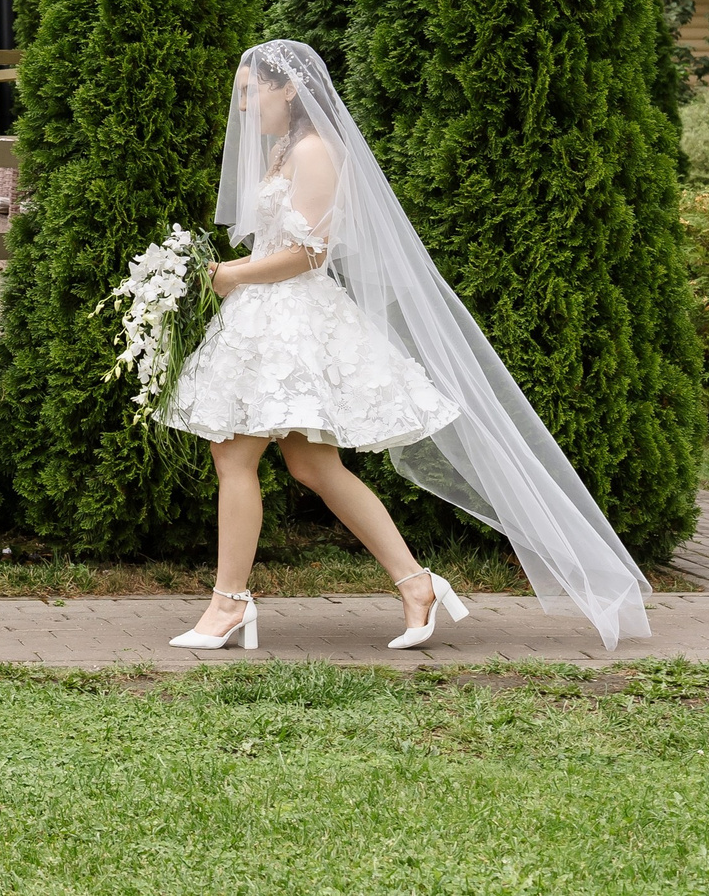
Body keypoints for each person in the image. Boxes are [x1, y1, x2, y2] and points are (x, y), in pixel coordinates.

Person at [161, 40, 652, 653]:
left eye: (249, 91)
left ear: (287, 89)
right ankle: (417, 583)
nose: (241, 105)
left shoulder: (314, 151)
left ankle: (229, 603)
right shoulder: (287, 149)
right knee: (313, 466)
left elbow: (311, 253)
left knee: (234, 458)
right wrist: (223, 273)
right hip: (267, 317)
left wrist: (229, 276)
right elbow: (276, 246)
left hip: (292, 323)